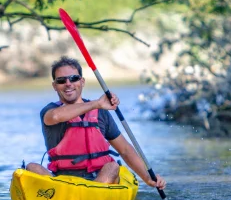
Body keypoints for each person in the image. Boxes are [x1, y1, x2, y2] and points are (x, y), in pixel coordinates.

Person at [26, 56, 167, 190]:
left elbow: (124, 149)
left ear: (82, 81)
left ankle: (91, 196)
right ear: (54, 86)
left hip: (98, 178)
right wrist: (97, 103)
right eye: (61, 81)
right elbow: (56, 116)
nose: (68, 84)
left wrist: (147, 177)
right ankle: (72, 197)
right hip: (62, 181)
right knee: (32, 167)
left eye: (73, 78)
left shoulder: (100, 113)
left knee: (112, 167)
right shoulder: (50, 111)